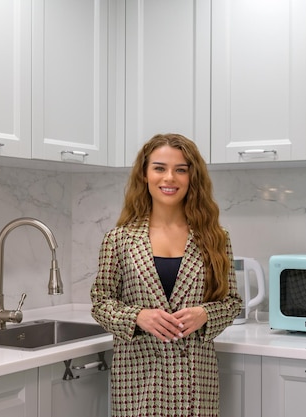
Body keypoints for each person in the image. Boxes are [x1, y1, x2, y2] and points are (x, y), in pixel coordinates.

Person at [90, 133, 242, 416]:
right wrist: (138, 317)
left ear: (191, 177)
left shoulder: (215, 238)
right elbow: (100, 303)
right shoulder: (119, 239)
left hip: (196, 381)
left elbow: (231, 302)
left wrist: (205, 315)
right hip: (138, 381)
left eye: (180, 170)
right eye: (159, 168)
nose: (169, 178)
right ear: (145, 175)